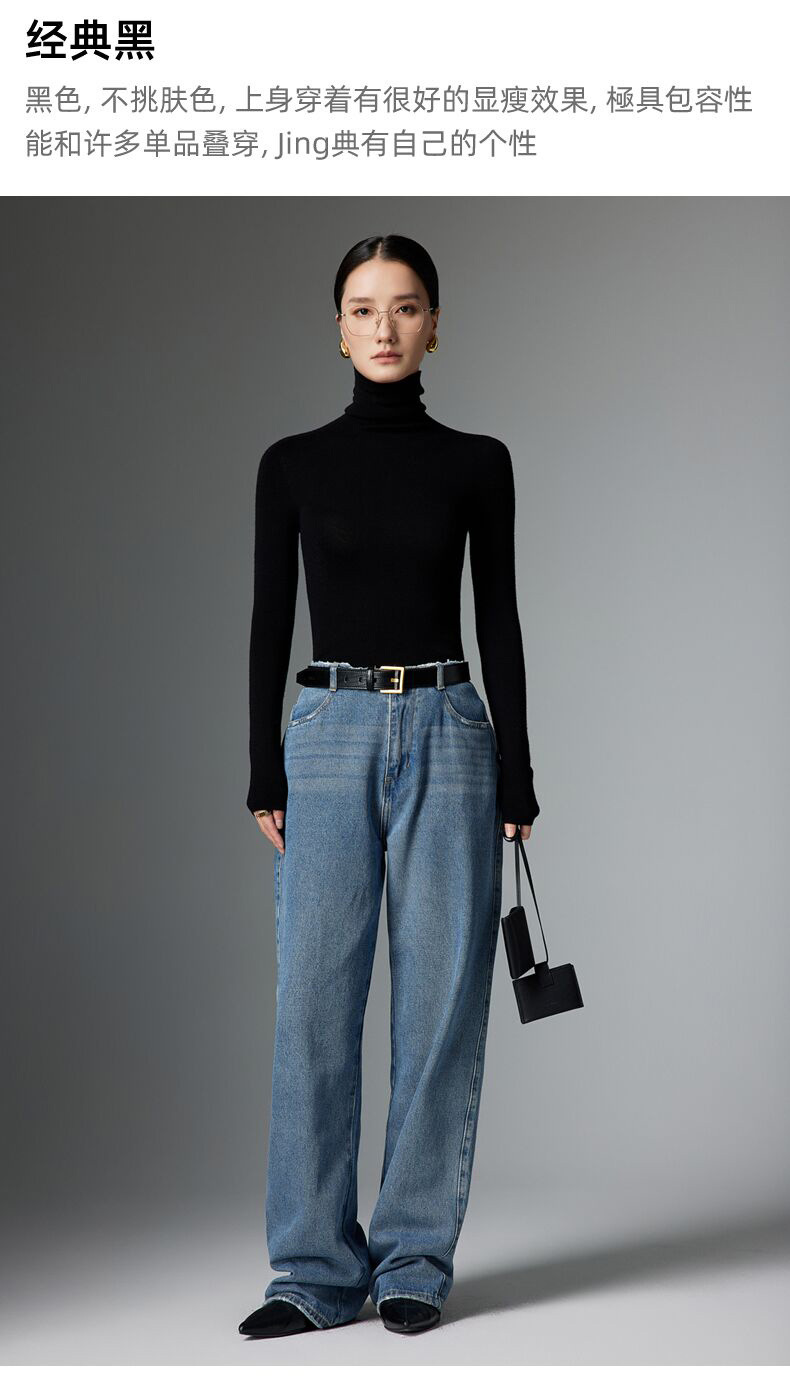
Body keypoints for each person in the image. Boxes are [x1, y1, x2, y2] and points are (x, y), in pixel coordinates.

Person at [238, 234, 540, 1340]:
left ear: (434, 326)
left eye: (405, 307)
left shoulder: (478, 462)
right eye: (363, 308)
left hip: (451, 730)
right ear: (337, 327)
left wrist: (517, 767)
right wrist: (261, 761)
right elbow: (270, 619)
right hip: (326, 734)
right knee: (313, 1007)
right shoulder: (291, 464)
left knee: (440, 1005)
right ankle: (313, 1270)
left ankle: (414, 1258)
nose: (383, 327)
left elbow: (499, 616)